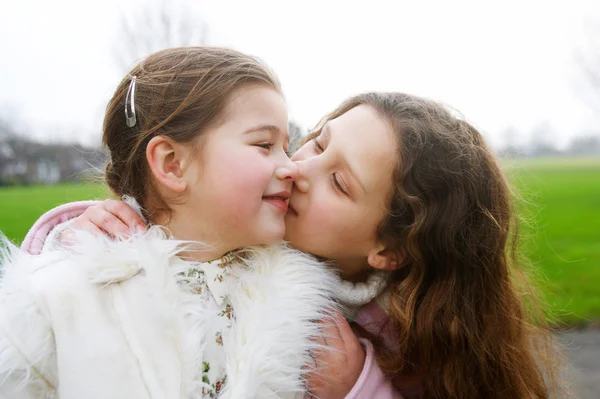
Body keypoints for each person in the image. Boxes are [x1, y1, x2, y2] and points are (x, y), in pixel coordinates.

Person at [35, 92, 567, 398]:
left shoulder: (409, 334)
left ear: (391, 249)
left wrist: (357, 387)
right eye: (317, 140)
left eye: (340, 182)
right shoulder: (245, 224)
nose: (298, 168)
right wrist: (77, 230)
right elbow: (153, 228)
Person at [0, 47, 341, 399]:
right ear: (172, 164)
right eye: (264, 144)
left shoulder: (307, 305)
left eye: (287, 147)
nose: (291, 167)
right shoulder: (59, 300)